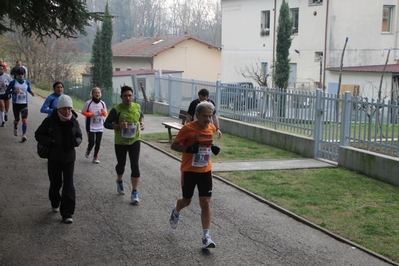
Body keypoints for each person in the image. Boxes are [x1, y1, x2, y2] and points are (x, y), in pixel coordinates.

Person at [169, 101, 221, 250]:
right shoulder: (187, 128)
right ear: (197, 115)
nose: (208, 119)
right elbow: (174, 145)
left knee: (205, 202)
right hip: (189, 170)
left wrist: (212, 147)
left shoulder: (211, 127)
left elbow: (205, 143)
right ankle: (176, 209)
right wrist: (189, 149)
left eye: (210, 116)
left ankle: (206, 236)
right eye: (205, 116)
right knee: (187, 201)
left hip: (205, 170)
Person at [35, 95, 82, 224]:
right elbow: (38, 134)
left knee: (69, 184)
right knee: (55, 183)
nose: (67, 112)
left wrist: (76, 142)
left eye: (69, 109)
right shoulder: (50, 121)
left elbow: (79, 135)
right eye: (64, 109)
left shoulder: (73, 120)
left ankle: (67, 213)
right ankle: (55, 201)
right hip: (54, 157)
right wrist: (51, 141)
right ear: (59, 109)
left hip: (69, 157)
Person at [104, 86, 145, 205]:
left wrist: (142, 122)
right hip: (121, 142)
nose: (128, 98)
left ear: (133, 96)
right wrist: (117, 126)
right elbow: (106, 124)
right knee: (121, 165)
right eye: (125, 96)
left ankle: (134, 192)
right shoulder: (116, 109)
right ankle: (120, 180)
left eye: (130, 95)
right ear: (121, 97)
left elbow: (141, 115)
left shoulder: (137, 106)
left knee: (135, 165)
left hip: (135, 141)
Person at [6, 68, 35, 142]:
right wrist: (14, 91)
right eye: (19, 74)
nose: (21, 75)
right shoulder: (13, 82)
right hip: (16, 104)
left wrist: (31, 92)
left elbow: (28, 89)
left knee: (24, 120)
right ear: (17, 75)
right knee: (17, 119)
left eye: (22, 74)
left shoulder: (27, 82)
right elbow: (7, 91)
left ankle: (24, 135)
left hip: (24, 104)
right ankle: (15, 127)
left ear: (24, 74)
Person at [81, 87, 107, 164]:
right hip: (90, 125)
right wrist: (90, 114)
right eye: (95, 92)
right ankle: (89, 150)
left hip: (99, 125)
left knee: (98, 142)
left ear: (100, 94)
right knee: (91, 142)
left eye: (98, 92)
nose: (97, 94)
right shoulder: (88, 103)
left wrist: (103, 112)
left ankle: (95, 157)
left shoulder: (102, 103)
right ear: (92, 94)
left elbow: (105, 114)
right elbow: (83, 112)